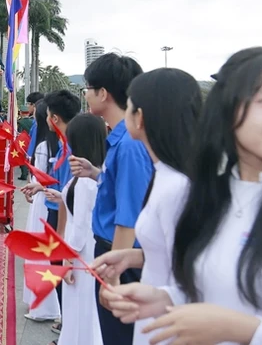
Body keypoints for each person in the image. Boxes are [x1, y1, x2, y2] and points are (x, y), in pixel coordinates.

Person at [102, 48, 262, 343]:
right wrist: (163, 298)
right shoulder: (213, 198)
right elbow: (212, 288)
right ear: (226, 111)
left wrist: (246, 330)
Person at [90, 68, 202, 345]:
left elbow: (195, 270)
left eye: (129, 105)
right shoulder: (165, 174)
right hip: (154, 303)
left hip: (166, 317)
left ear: (139, 118)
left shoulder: (176, 187)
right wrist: (132, 257)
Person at [69, 52, 153, 345]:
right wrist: (96, 173)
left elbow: (129, 217)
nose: (86, 94)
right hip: (116, 255)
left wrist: (113, 275)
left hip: (122, 261)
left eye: (88, 89)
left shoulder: (129, 143)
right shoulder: (121, 139)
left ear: (103, 93)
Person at [20, 90, 81, 335]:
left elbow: (67, 194)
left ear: (53, 118)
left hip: (63, 217)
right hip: (56, 211)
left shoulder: (69, 148)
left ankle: (67, 323)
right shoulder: (64, 145)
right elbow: (59, 184)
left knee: (60, 270)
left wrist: (62, 236)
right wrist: (40, 185)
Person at [44, 113, 106, 345]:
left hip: (80, 255)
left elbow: (79, 226)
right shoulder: (91, 176)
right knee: (81, 309)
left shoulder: (86, 181)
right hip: (84, 252)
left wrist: (68, 260)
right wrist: (60, 196)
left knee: (79, 309)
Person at [20, 99, 61, 323]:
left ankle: (42, 305)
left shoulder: (44, 147)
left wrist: (32, 188)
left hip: (43, 201)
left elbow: (40, 177)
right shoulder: (60, 145)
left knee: (38, 253)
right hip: (54, 201)